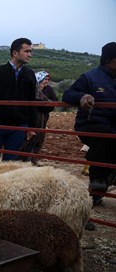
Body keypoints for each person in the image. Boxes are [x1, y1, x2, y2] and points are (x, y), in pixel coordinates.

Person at [62, 41, 116, 205]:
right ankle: (98, 180)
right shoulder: (90, 77)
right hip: (90, 123)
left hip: (112, 126)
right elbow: (68, 94)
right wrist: (82, 97)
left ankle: (101, 184)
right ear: (109, 60)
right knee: (107, 136)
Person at [0, 37, 37, 164]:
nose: (30, 55)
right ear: (15, 53)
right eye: (27, 51)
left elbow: (32, 101)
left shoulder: (30, 74)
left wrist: (31, 126)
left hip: (18, 127)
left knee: (10, 164)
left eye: (30, 51)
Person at [19, 71, 54, 164]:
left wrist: (41, 105)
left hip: (43, 118)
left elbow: (51, 104)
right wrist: (42, 104)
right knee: (28, 140)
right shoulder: (31, 90)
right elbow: (33, 104)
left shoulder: (49, 90)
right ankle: (23, 161)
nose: (46, 81)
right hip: (33, 118)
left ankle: (33, 160)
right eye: (44, 79)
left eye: (47, 79)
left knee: (39, 139)